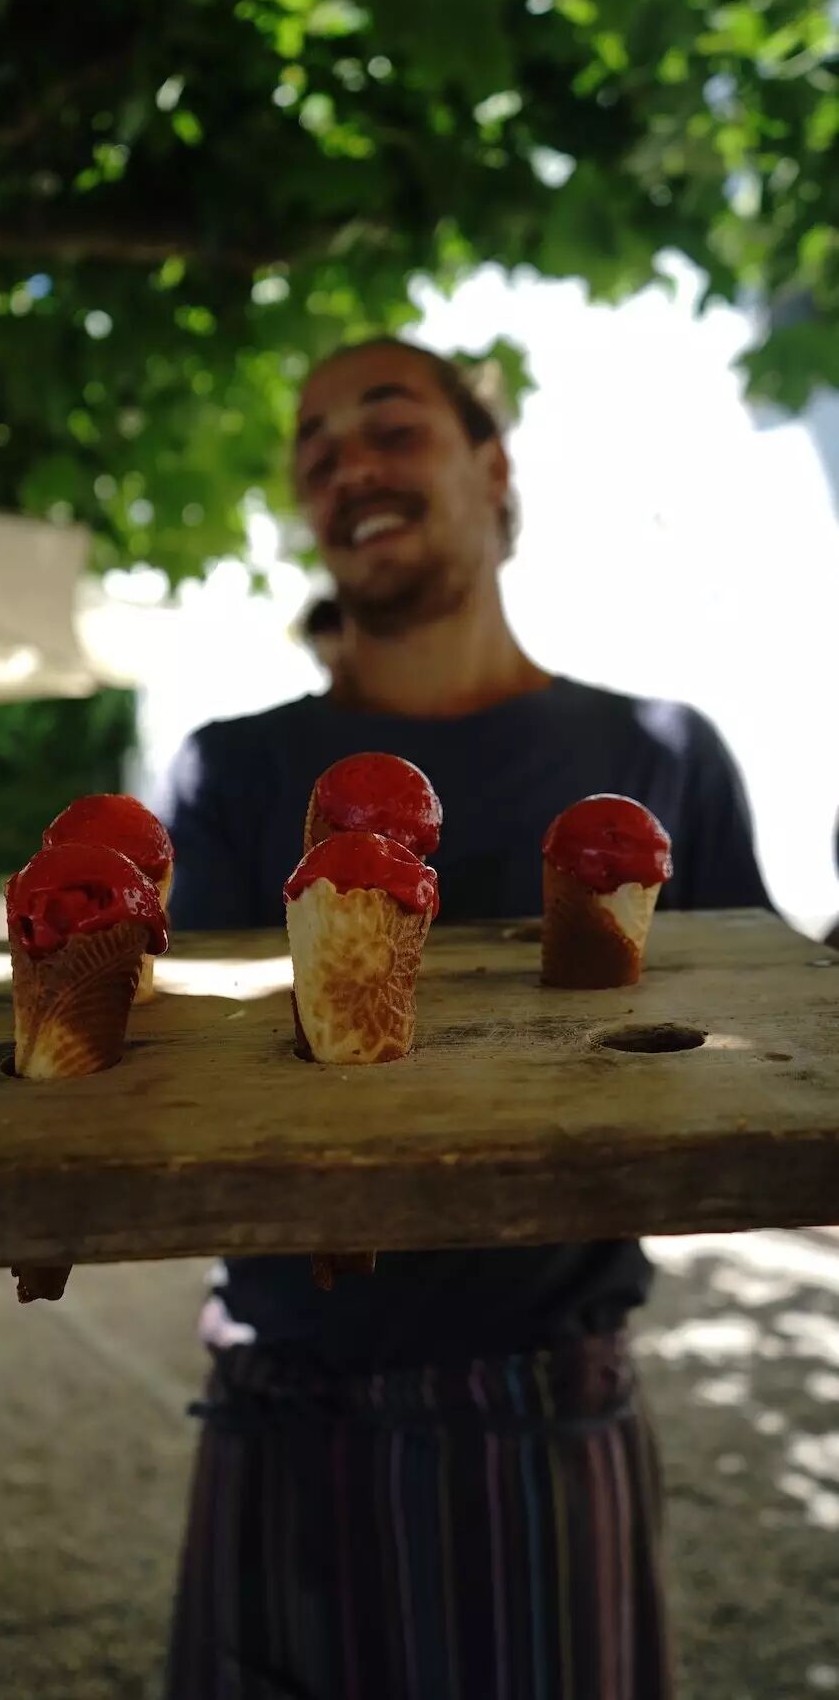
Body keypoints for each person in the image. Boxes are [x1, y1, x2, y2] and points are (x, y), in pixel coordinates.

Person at [162, 336, 769, 1700]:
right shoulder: (231, 770)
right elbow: (180, 1074)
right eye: (317, 451)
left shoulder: (660, 755)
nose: (347, 467)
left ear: (493, 469)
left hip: (542, 1405)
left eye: (391, 427)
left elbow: (766, 1058)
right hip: (277, 1397)